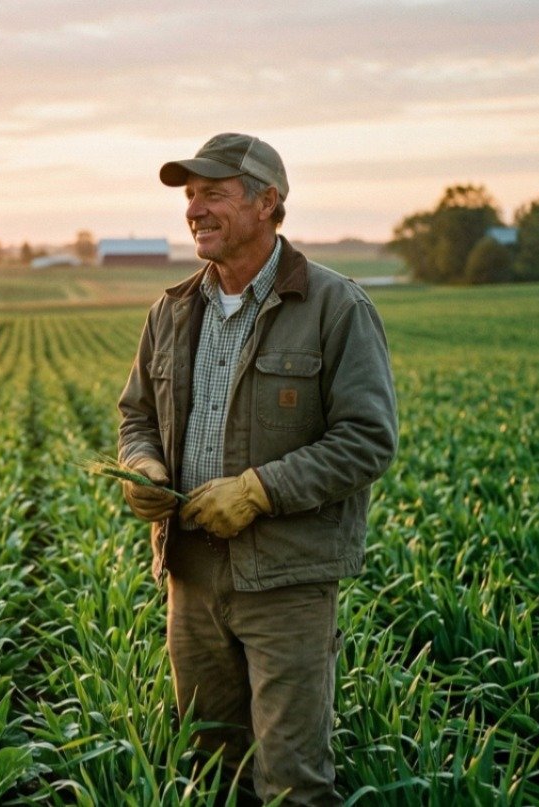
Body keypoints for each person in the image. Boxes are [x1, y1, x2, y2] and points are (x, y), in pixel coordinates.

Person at [115, 132, 398, 805]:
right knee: (212, 769)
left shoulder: (336, 307)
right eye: (190, 196)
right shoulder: (172, 310)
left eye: (213, 193)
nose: (195, 209)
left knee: (293, 780)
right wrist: (143, 463)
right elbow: (136, 415)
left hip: (287, 582)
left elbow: (367, 439)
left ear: (269, 202)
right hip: (192, 575)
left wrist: (259, 490)